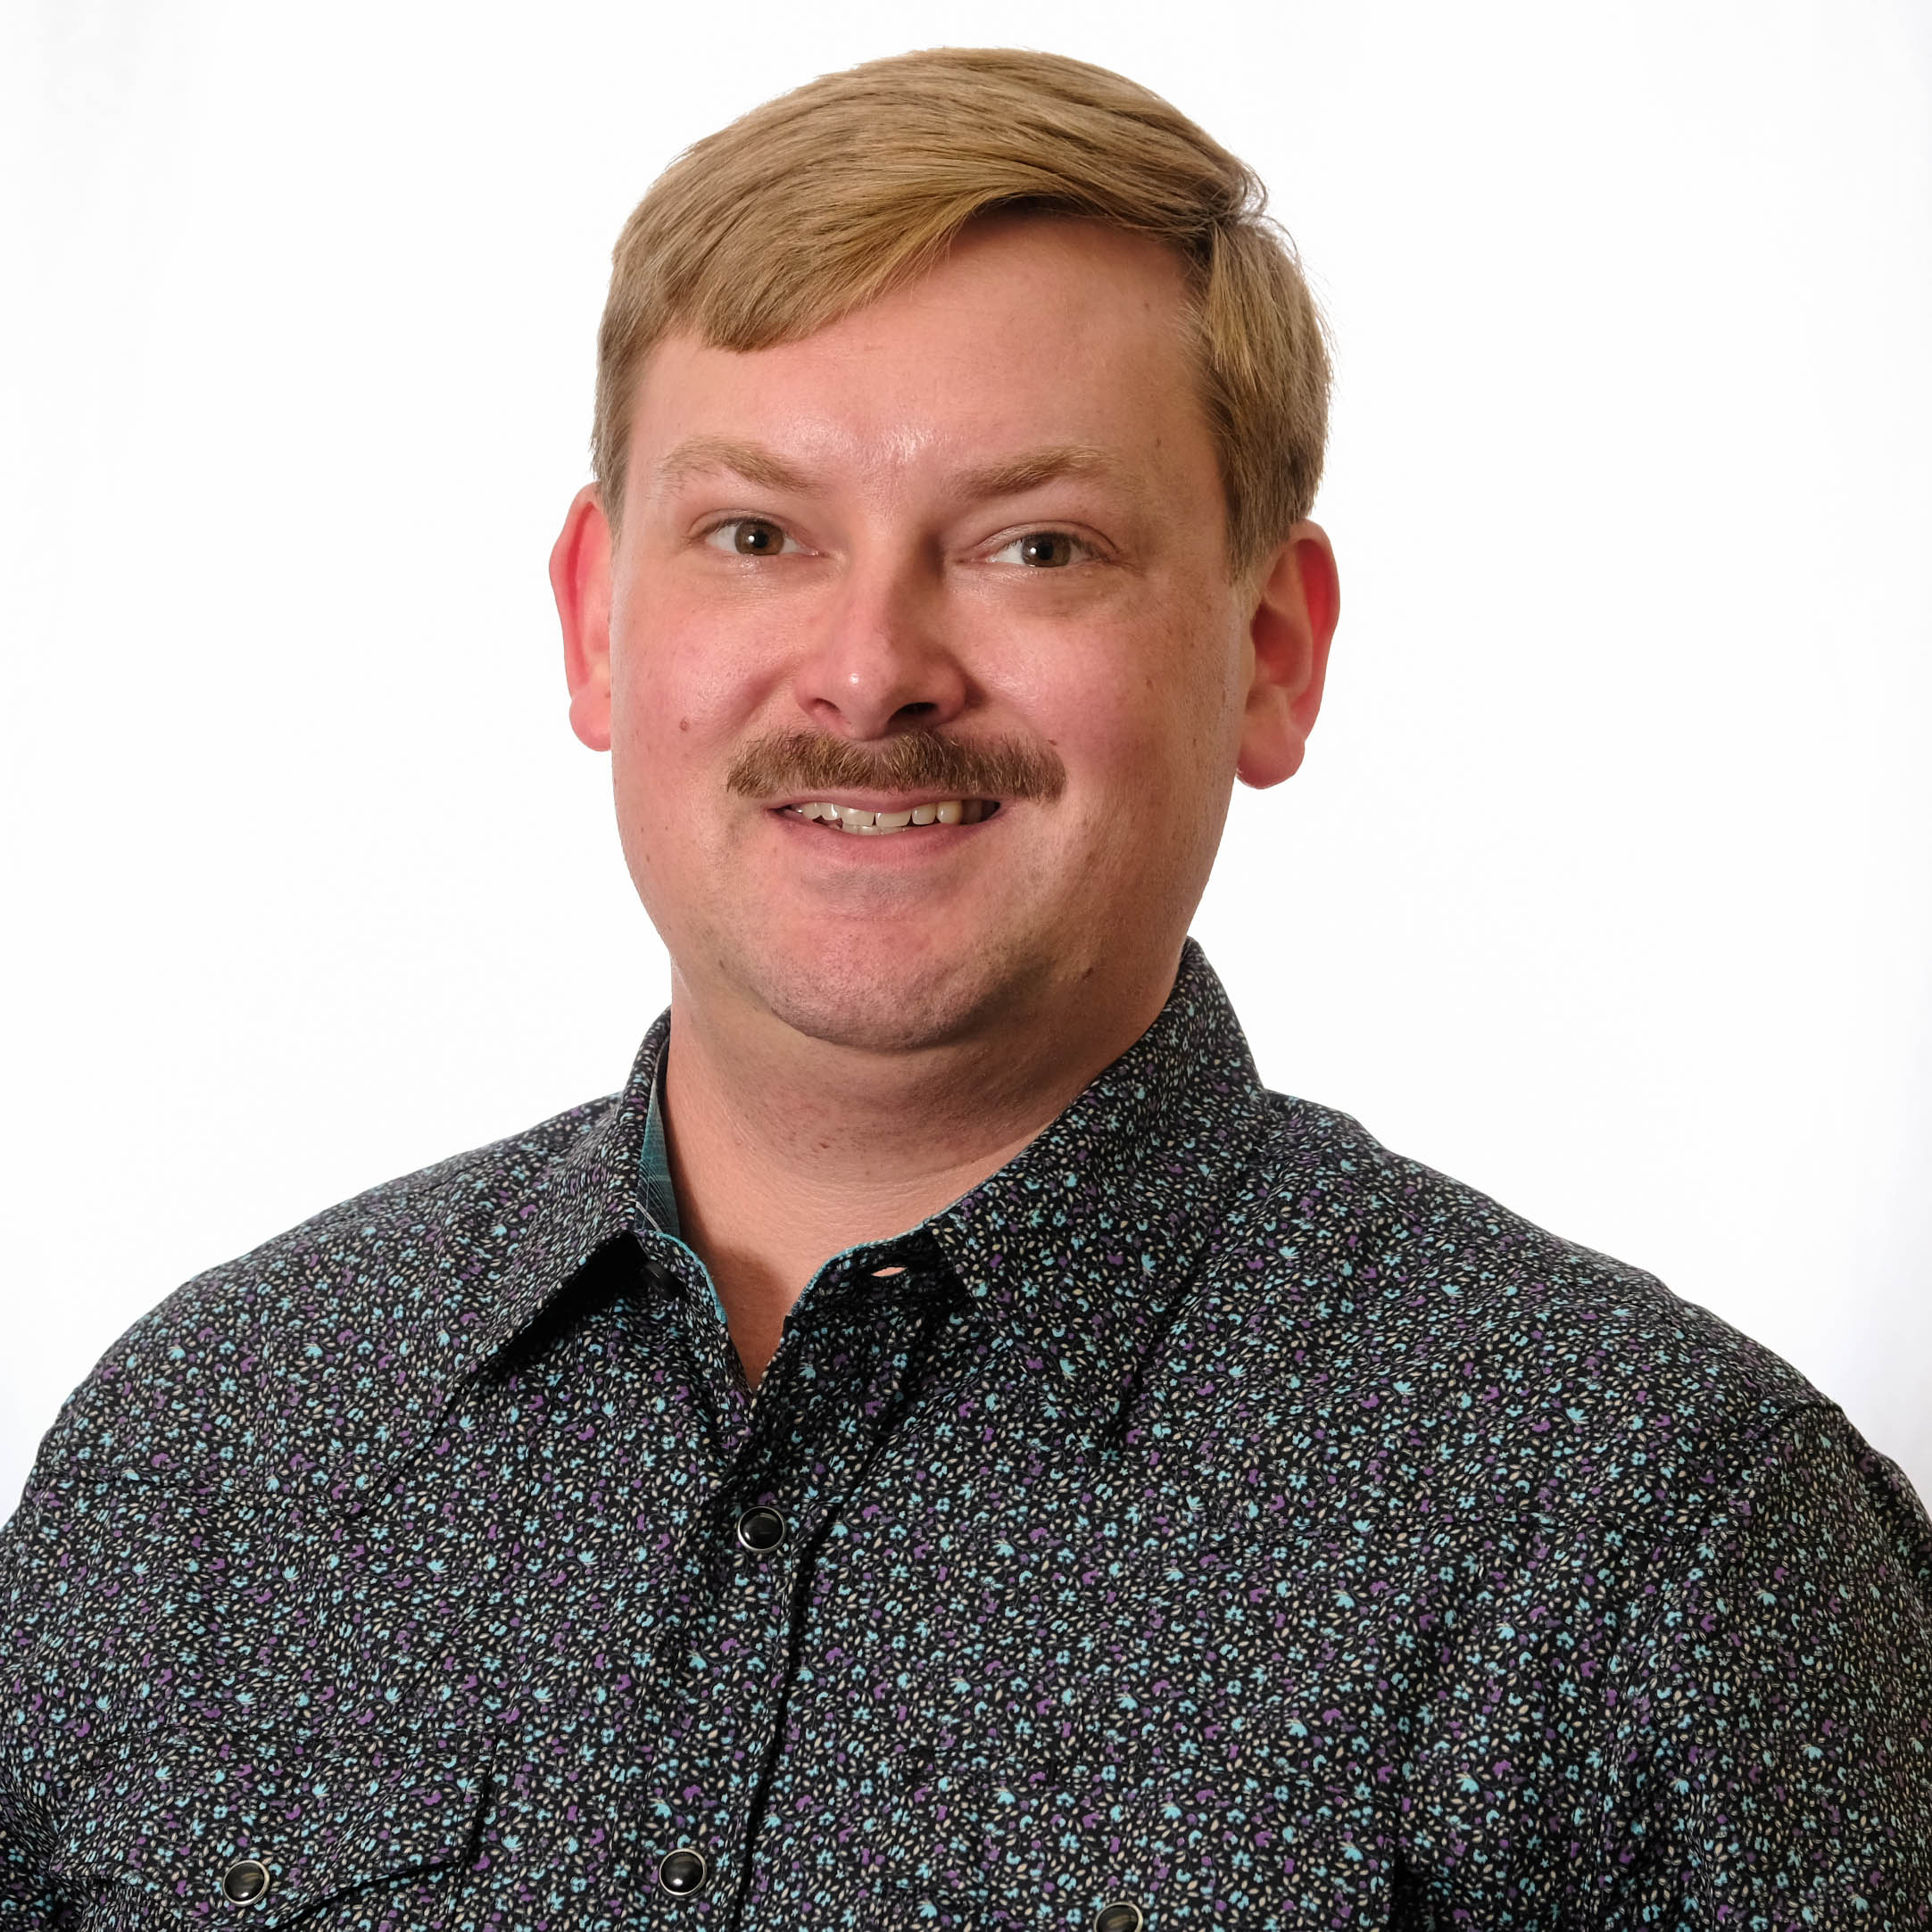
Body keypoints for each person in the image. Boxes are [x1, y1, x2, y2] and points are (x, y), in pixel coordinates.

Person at [3, 45, 1927, 1931]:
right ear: (600, 620)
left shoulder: (1652, 1535)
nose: (868, 674)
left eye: (1034, 545)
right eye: (757, 535)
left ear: (1270, 650)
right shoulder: (213, 1447)